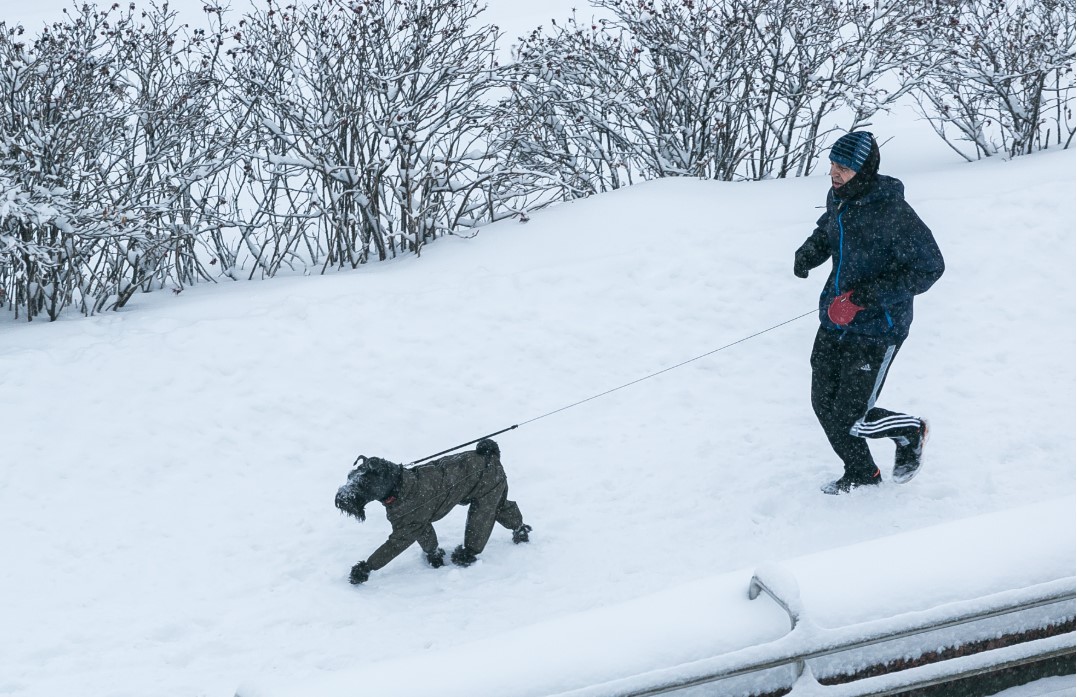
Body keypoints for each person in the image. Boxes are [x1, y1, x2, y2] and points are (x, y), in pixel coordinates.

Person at [793, 131, 945, 494]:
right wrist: (809, 253)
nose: (834, 173)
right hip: (834, 319)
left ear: (863, 171)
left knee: (851, 415)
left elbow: (930, 268)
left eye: (843, 167)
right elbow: (830, 229)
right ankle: (862, 472)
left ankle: (908, 430)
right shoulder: (840, 198)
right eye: (832, 164)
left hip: (877, 329)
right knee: (823, 404)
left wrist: (863, 298)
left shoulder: (892, 212)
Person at [334, 438, 531, 584]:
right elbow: (418, 527)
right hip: (475, 466)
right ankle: (518, 525)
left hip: (487, 472)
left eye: (360, 490)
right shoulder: (404, 493)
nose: (350, 491)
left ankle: (490, 542)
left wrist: (368, 567)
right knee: (497, 505)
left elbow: (399, 541)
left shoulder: (408, 504)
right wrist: (432, 552)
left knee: (485, 512)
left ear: (378, 484)